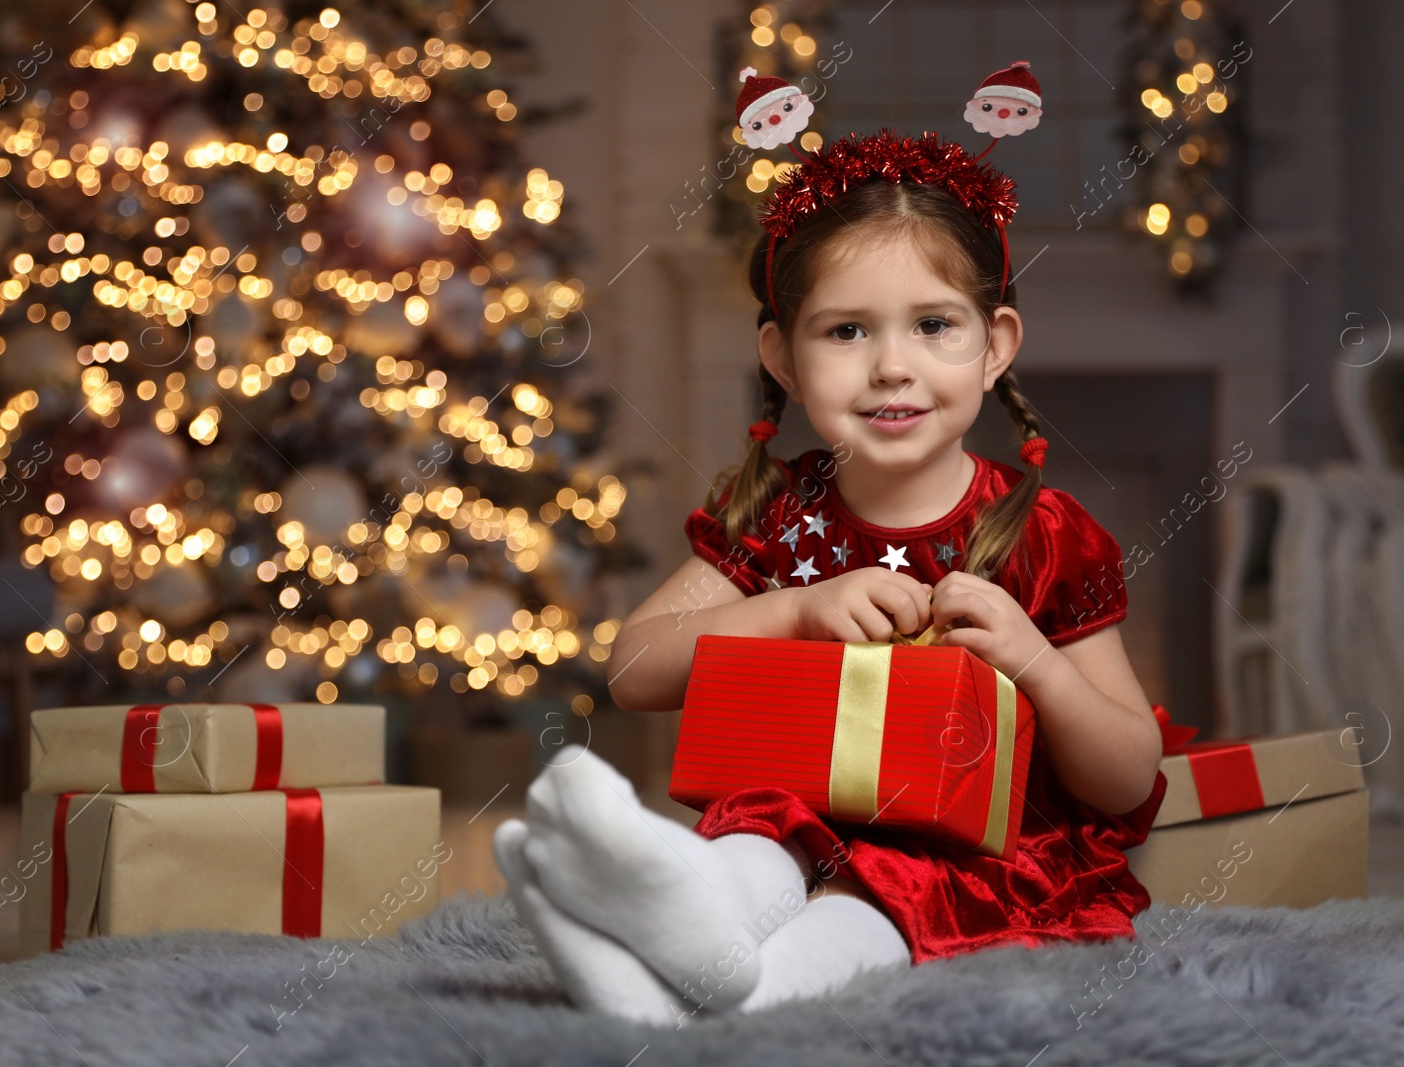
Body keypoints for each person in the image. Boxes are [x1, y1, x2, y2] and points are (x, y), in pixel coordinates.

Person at [491, 61, 1168, 1028]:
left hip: (966, 852)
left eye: (935, 325)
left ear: (996, 343)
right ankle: (681, 921)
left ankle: (724, 989)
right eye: (847, 330)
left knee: (884, 887)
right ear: (781, 357)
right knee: (761, 831)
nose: (893, 365)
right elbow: (632, 667)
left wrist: (1032, 663)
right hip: (800, 812)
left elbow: (1129, 772)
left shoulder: (1041, 535)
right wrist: (794, 607)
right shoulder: (779, 515)